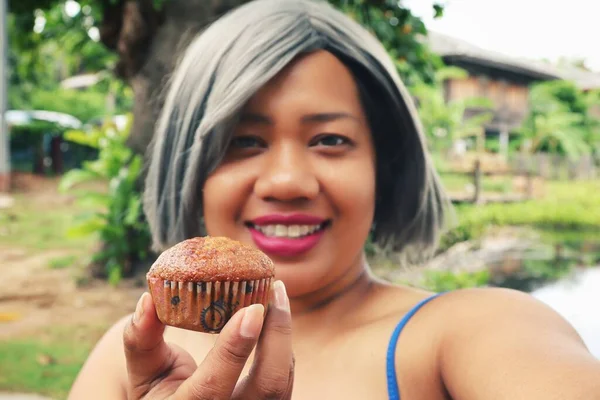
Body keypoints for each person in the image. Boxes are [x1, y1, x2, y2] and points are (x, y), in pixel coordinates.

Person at [68, 0, 600, 398]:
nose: (287, 181)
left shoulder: (475, 334)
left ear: (383, 167)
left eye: (329, 140)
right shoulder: (130, 357)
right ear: (188, 170)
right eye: (243, 141)